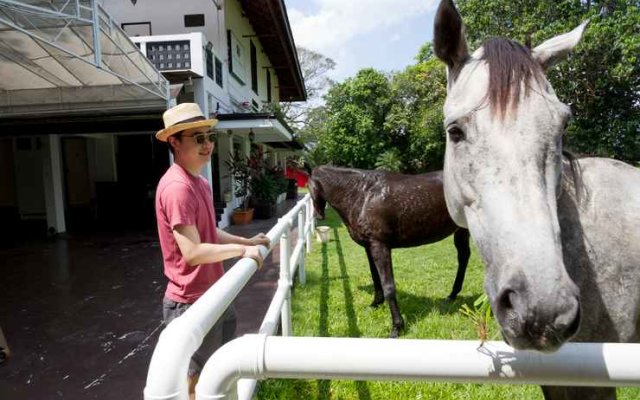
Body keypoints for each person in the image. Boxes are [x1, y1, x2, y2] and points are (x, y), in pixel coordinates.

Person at [154, 103, 270, 396]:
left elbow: (209, 232)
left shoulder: (201, 183)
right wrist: (241, 254)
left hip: (214, 292)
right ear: (175, 142)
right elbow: (192, 252)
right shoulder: (177, 187)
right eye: (198, 138)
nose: (207, 145)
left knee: (218, 370)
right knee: (193, 380)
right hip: (189, 302)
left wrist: (246, 243)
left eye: (209, 137)